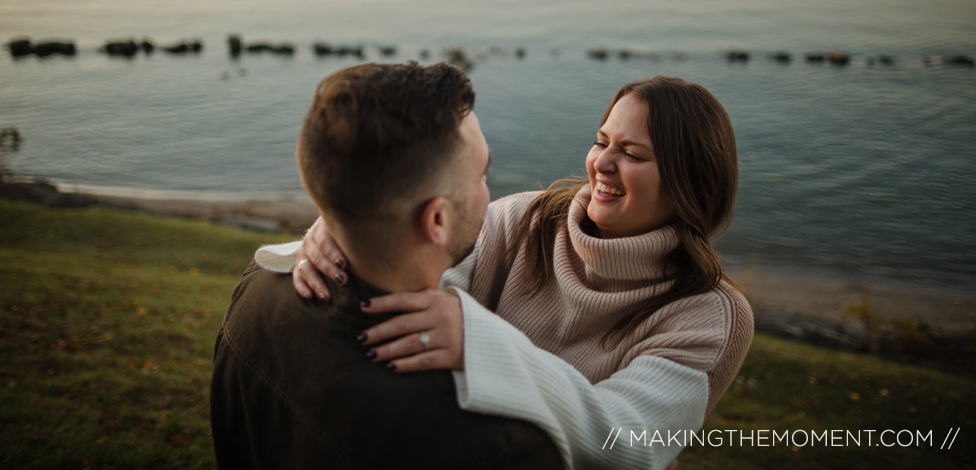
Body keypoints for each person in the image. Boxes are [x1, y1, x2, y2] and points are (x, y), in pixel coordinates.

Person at [281, 75, 755, 469]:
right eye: (601, 141)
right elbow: (417, 259)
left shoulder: (709, 316)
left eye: (632, 154)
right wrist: (346, 227)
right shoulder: (526, 220)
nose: (601, 164)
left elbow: (628, 443)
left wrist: (483, 345)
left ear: (691, 178)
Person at [211, 62, 562, 469]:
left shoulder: (257, 290)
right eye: (482, 175)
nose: (490, 192)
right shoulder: (495, 442)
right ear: (437, 221)